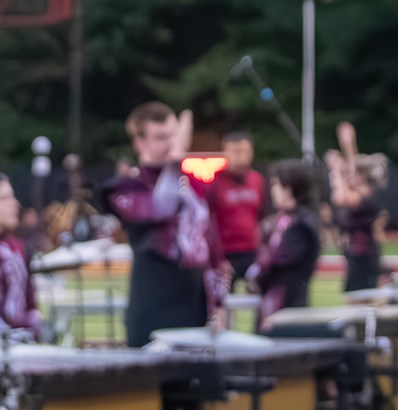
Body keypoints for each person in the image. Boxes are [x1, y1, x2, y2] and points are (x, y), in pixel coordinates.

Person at [103, 102, 227, 347]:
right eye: (160, 137)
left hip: (195, 305)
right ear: (140, 142)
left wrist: (219, 304)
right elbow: (160, 208)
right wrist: (175, 162)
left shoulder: (194, 185)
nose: (170, 144)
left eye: (173, 135)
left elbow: (213, 248)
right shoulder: (126, 187)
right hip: (153, 305)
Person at [246, 161, 321, 328]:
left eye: (275, 185)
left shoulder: (300, 223)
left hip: (286, 306)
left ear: (288, 188)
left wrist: (257, 275)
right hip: (271, 303)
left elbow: (279, 260)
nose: (272, 190)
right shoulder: (281, 219)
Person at [325, 121, 388, 292]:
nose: (349, 176)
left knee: (360, 300)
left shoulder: (367, 198)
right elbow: (354, 171)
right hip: (355, 254)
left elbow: (341, 198)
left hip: (364, 256)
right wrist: (348, 144)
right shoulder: (364, 191)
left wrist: (336, 170)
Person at [209, 132, 267, 287]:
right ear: (225, 152)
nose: (240, 157)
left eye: (244, 151)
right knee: (222, 301)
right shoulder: (215, 183)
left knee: (260, 296)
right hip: (225, 254)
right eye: (235, 152)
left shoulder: (257, 180)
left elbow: (264, 215)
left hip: (252, 251)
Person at [0, 174, 44, 337]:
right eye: (5, 198)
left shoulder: (17, 247)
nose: (15, 204)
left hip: (21, 347)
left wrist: (35, 321)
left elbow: (30, 301)